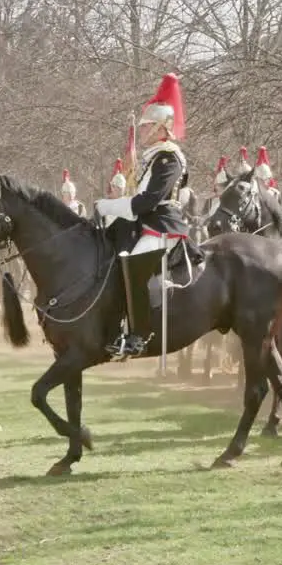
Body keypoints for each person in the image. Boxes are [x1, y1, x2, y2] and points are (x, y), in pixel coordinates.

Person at [94, 73, 189, 359]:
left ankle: (139, 335)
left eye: (149, 125)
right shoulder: (154, 156)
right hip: (144, 222)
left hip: (162, 224)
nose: (144, 130)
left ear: (163, 128)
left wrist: (109, 207)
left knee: (134, 267)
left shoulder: (169, 157)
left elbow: (148, 201)